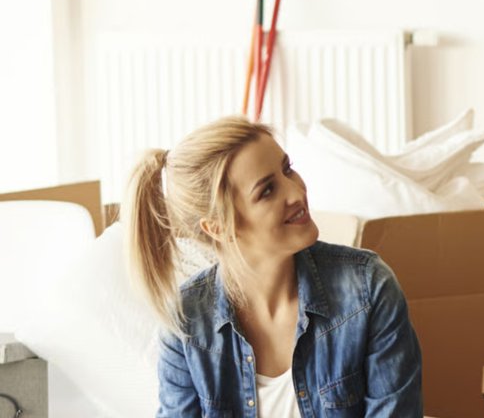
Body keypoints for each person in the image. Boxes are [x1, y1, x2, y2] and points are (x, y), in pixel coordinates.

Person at [126, 115, 423, 417]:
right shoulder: (185, 325)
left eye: (287, 169)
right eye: (266, 190)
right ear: (218, 227)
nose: (296, 193)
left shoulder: (368, 290)